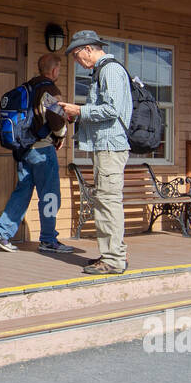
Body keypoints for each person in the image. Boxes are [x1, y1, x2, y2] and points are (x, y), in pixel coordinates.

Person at [0, 54, 78, 255]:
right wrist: (60, 136)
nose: (59, 73)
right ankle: (48, 239)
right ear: (53, 70)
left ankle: (1, 232)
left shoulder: (28, 87)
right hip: (42, 150)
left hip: (24, 149)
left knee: (23, 191)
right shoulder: (49, 89)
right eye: (59, 70)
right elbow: (56, 117)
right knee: (50, 196)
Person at [58, 30, 133, 274]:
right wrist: (77, 114)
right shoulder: (103, 71)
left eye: (78, 56)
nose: (78, 62)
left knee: (108, 202)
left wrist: (80, 111)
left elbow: (111, 109)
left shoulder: (110, 70)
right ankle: (111, 255)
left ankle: (113, 260)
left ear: (89, 49)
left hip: (110, 147)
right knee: (106, 201)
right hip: (106, 146)